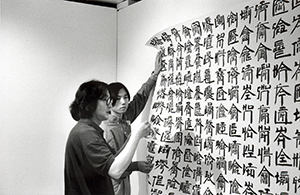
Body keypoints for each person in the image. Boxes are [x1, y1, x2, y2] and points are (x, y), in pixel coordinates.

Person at [64, 80, 151, 195]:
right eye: (106, 100)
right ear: (91, 103)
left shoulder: (88, 130)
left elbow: (114, 160)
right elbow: (115, 171)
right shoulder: (87, 134)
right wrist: (136, 135)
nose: (110, 105)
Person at [100, 51, 162, 195]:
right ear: (109, 101)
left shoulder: (124, 116)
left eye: (125, 97)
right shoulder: (109, 129)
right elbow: (113, 167)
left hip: (123, 183)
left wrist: (154, 75)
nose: (124, 102)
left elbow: (140, 99)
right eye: (118, 98)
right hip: (113, 186)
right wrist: (136, 166)